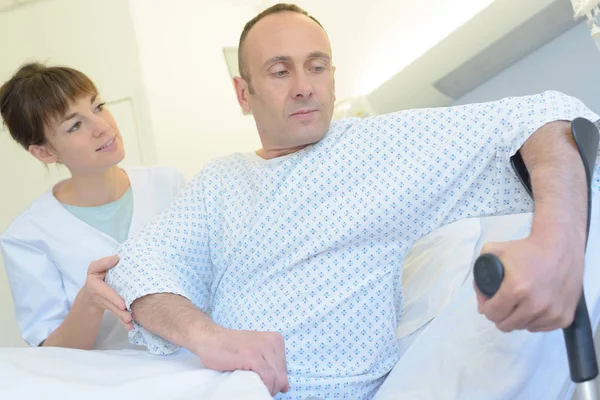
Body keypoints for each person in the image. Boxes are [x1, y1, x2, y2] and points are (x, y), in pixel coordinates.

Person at [104, 3, 600, 399]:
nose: (303, 87)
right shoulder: (219, 182)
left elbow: (551, 118)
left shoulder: (380, 148)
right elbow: (142, 267)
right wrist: (209, 337)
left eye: (316, 67)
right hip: (216, 384)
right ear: (243, 92)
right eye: (279, 72)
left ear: (333, 76)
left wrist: (556, 244)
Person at [0, 63, 186, 350]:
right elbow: (51, 353)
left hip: (196, 363)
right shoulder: (27, 236)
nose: (102, 127)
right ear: (45, 152)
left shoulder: (168, 184)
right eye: (75, 125)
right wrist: (89, 301)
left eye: (98, 107)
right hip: (108, 385)